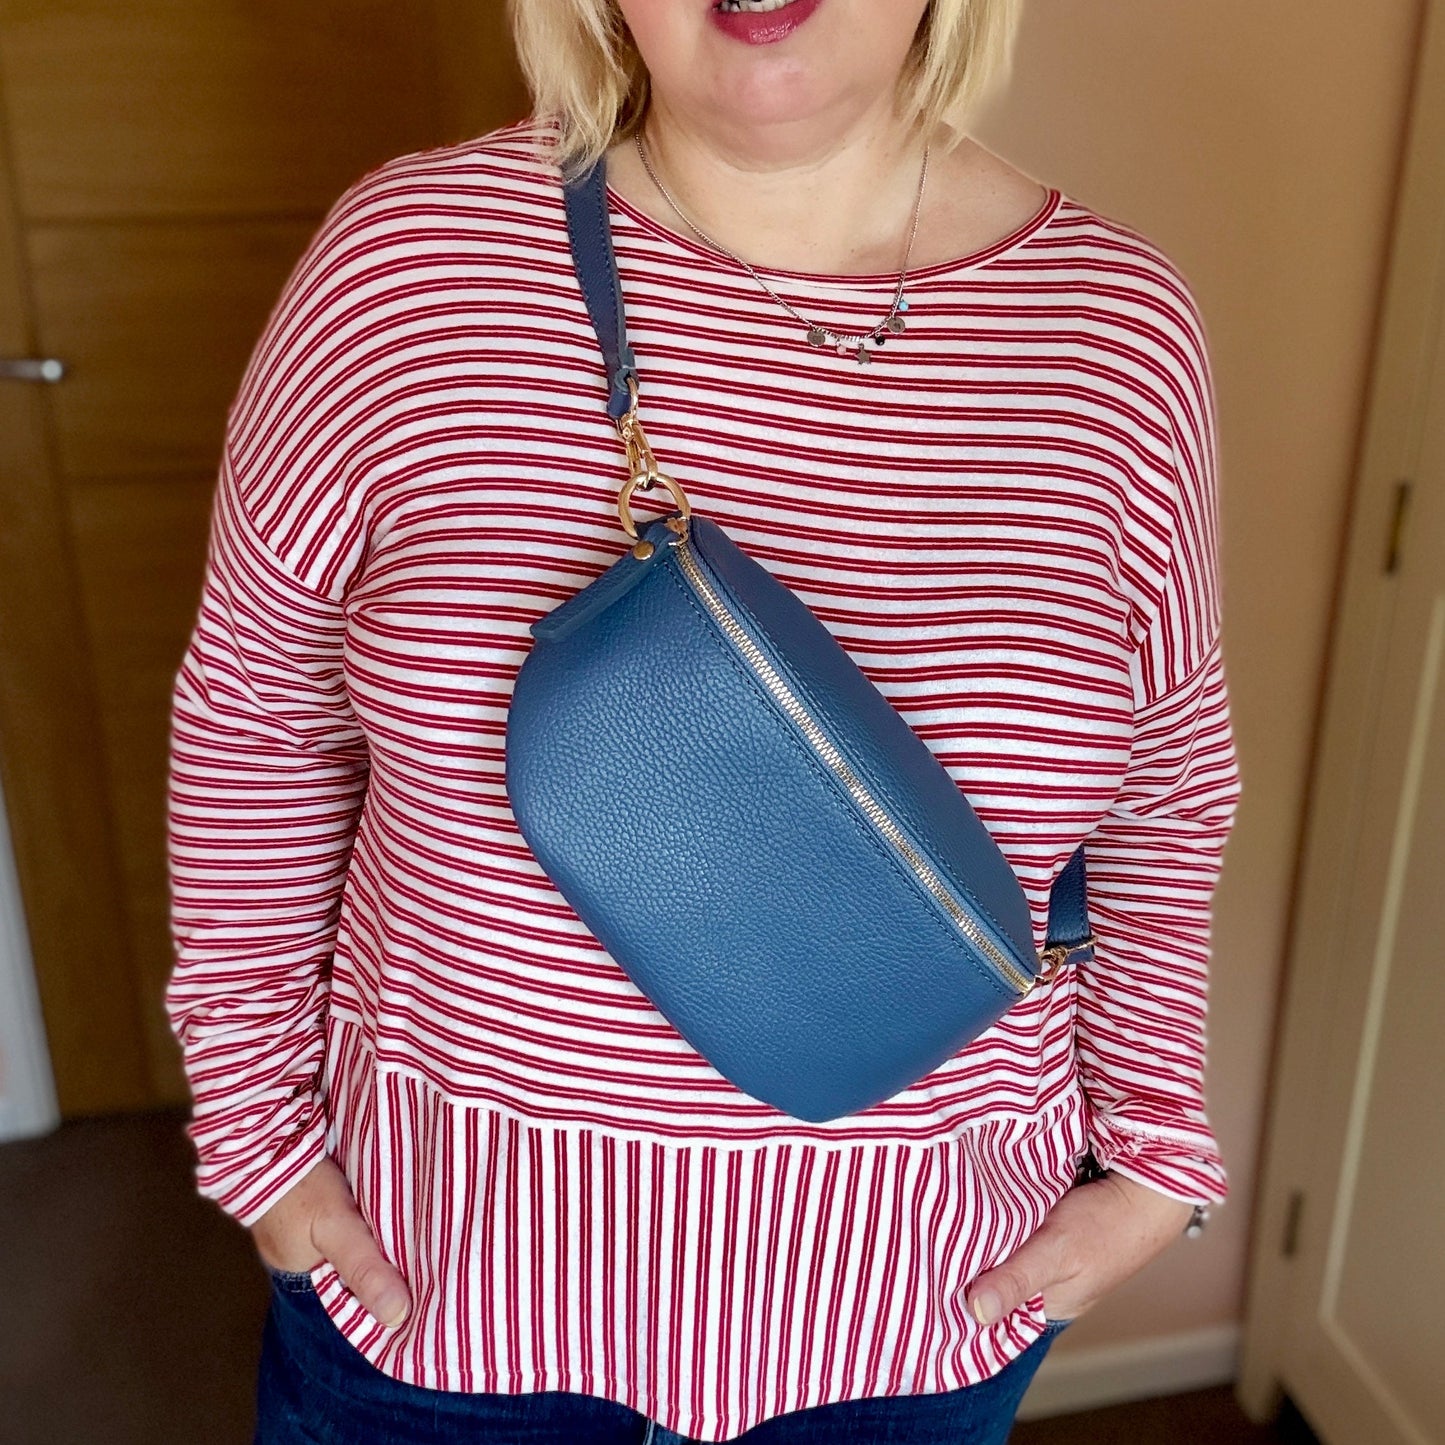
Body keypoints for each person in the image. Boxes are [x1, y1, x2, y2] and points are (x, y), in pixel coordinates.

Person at [163, 0, 1242, 1441]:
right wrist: (257, 1138)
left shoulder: (1115, 334)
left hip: (911, 1315)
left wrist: (1157, 1156)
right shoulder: (407, 262)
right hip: (443, 1302)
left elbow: (1162, 792)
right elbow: (257, 715)